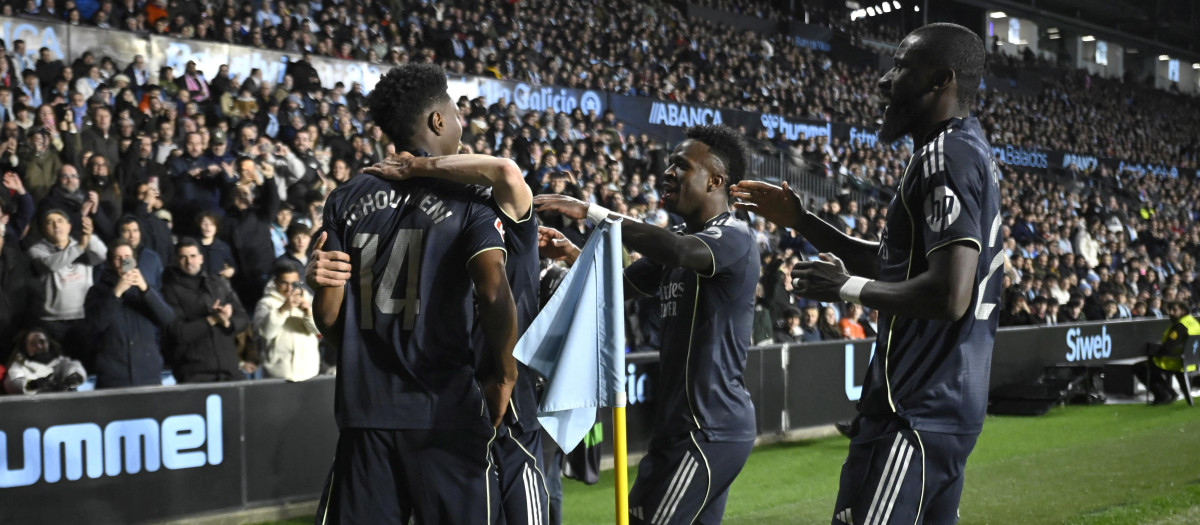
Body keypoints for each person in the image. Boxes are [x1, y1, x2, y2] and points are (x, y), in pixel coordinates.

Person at [732, 23, 999, 525]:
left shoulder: (946, 156)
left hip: (914, 410)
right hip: (938, 408)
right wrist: (802, 221)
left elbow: (950, 295)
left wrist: (845, 290)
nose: (885, 81)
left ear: (941, 80)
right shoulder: (964, 148)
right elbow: (894, 266)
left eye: (901, 67)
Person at [307, 63, 518, 524]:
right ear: (438, 121)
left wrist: (315, 280)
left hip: (365, 413)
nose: (462, 124)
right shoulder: (471, 197)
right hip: (445, 414)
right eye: (457, 113)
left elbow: (328, 318)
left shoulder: (345, 197)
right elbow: (493, 290)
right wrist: (503, 375)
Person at [536, 124, 759, 525]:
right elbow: (616, 287)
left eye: (682, 166)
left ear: (715, 180)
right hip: (678, 430)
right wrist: (572, 252)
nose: (667, 173)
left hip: (709, 430)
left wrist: (592, 212)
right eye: (669, 164)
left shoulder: (734, 236)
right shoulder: (677, 240)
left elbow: (676, 250)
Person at [362, 144, 546, 524]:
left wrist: (418, 167)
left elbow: (506, 172)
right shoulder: (454, 228)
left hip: (510, 409)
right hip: (458, 404)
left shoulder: (515, 221)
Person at [84, 239, 175, 388]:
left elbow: (167, 318)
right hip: (113, 376)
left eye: (127, 257)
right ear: (110, 263)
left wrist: (145, 290)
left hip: (148, 374)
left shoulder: (147, 289)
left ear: (134, 260)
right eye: (118, 258)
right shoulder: (98, 291)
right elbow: (95, 326)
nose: (123, 262)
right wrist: (116, 293)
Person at [162, 238, 250, 383]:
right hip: (194, 374)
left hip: (230, 370)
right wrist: (211, 320)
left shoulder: (219, 283)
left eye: (193, 256)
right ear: (177, 260)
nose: (189, 261)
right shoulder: (169, 290)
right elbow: (178, 333)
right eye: (183, 257)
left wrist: (227, 321)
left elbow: (243, 318)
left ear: (201, 258)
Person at [27, 208, 106, 361]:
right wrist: (79, 248)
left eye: (60, 221)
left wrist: (90, 235)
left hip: (82, 320)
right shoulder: (36, 250)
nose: (56, 225)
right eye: (50, 223)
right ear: (43, 229)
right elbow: (50, 265)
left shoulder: (83, 244)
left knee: (84, 365)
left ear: (69, 227)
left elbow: (103, 255)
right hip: (52, 323)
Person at [254, 263, 320, 381]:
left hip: (309, 372)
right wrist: (283, 309)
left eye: (293, 283)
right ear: (275, 282)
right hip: (278, 375)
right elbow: (265, 333)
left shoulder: (308, 299)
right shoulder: (265, 304)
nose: (289, 289)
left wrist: (308, 313)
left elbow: (319, 331)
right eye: (284, 283)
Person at [1134, 301, 1199, 405]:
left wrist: (1155, 353)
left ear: (1183, 310)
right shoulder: (1194, 322)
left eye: (1175, 310)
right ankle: (1170, 392)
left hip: (1176, 362)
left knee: (1140, 367)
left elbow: (1169, 348)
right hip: (1193, 362)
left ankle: (1163, 394)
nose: (1171, 313)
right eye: (1170, 310)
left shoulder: (1180, 326)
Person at [4, 327, 86, 394]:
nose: (39, 346)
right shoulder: (19, 366)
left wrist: (73, 377)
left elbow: (72, 367)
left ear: (48, 343)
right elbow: (13, 383)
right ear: (25, 347)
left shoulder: (61, 362)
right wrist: (32, 385)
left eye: (42, 342)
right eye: (33, 343)